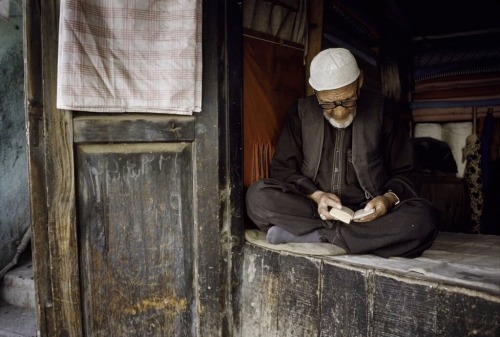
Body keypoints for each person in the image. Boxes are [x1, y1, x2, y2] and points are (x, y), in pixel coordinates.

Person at [246, 48, 438, 258]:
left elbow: (408, 171)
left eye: (348, 100)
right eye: (328, 104)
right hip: (314, 209)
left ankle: (318, 237)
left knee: (422, 219)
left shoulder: (383, 111)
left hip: (370, 214)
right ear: (315, 91)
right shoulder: (301, 113)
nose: (339, 112)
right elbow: (283, 169)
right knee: (257, 197)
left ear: (360, 81)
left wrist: (387, 200)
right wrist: (317, 196)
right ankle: (353, 239)